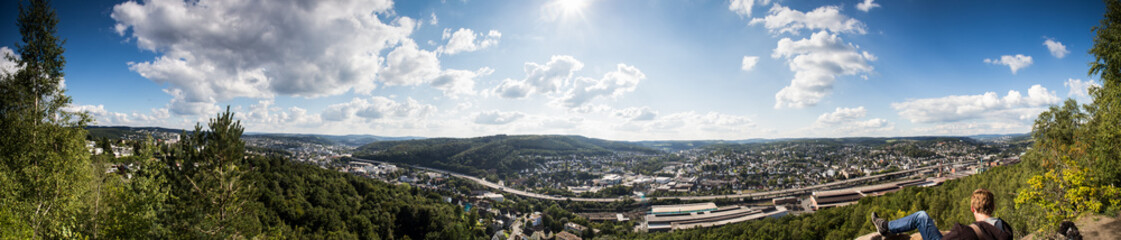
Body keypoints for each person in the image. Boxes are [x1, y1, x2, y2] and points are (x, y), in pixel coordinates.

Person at [869, 188, 1013, 240]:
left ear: (972, 209)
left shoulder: (965, 233)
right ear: (993, 207)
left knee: (921, 216)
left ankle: (885, 226)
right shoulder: (1005, 229)